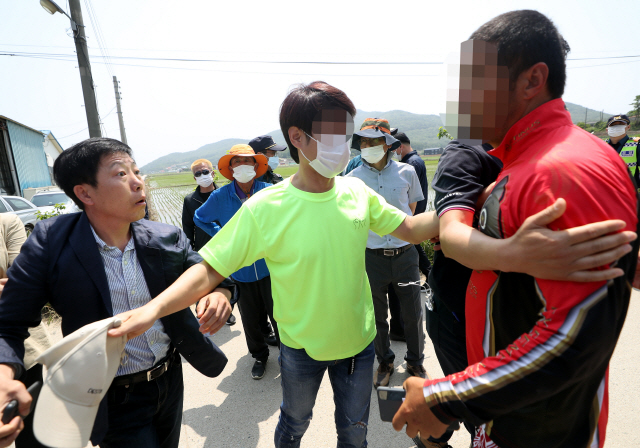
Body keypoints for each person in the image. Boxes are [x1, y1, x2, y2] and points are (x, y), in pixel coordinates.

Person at [392, 11, 639, 448]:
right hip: (509, 415)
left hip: (545, 429)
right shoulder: (522, 161)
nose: (461, 101)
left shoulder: (561, 170)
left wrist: (443, 398)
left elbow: (575, 335)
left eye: (474, 84)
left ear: (531, 80)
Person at [0, 138, 232, 448]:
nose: (138, 183)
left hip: (168, 379)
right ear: (85, 193)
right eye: (121, 174)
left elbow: (209, 272)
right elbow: (8, 321)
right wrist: (3, 375)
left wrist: (220, 294)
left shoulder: (165, 237)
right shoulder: (51, 242)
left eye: (137, 172)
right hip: (111, 396)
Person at [347, 118, 427, 388]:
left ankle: (416, 361)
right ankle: (385, 360)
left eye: (374, 141)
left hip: (405, 254)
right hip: (372, 257)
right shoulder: (351, 180)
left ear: (388, 145)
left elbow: (412, 208)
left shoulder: (407, 172)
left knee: (413, 312)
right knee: (376, 313)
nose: (367, 146)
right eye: (364, 142)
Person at [194, 145, 280, 380]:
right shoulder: (220, 197)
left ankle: (288, 353)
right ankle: (260, 356)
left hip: (270, 266)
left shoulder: (268, 191)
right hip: (241, 270)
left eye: (248, 161)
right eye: (237, 161)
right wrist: (223, 236)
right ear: (231, 168)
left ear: (256, 166)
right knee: (251, 319)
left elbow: (284, 219)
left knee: (279, 312)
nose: (243, 165)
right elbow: (199, 217)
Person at [181, 159, 239, 326]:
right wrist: (189, 250)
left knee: (229, 280)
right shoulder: (190, 200)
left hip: (225, 245)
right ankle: (205, 311)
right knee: (206, 283)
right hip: (203, 248)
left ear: (213, 173)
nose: (202, 175)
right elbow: (187, 226)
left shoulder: (225, 195)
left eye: (205, 171)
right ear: (194, 178)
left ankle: (226, 310)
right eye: (198, 174)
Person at [387, 131, 432, 342]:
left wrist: (411, 220)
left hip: (409, 222)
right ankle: (431, 276)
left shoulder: (410, 164)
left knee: (413, 255)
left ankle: (430, 277)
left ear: (400, 146)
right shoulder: (417, 161)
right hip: (414, 221)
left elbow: (412, 198)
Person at [606, 114, 640, 186]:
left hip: (631, 193)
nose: (616, 127)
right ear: (607, 129)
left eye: (621, 124)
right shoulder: (600, 145)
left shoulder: (637, 145)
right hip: (606, 192)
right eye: (613, 125)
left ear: (628, 127)